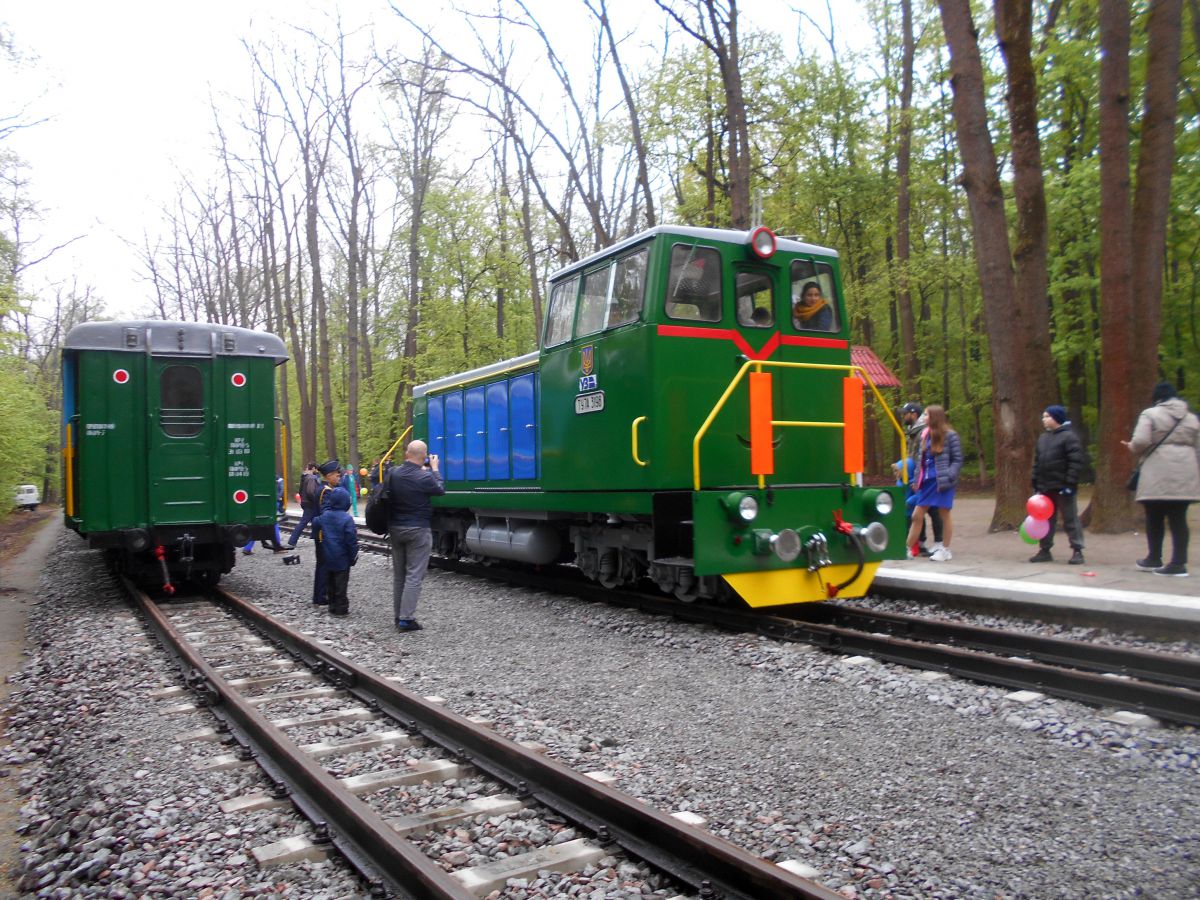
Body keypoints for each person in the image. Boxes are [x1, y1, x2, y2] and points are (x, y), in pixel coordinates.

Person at [1121, 382, 1200, 577]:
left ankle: (1154, 557)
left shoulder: (1150, 414)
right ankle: (1179, 563)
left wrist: (1131, 446)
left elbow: (1140, 441)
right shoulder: (1192, 418)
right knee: (1179, 518)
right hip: (1185, 472)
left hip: (1157, 471)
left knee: (1154, 515)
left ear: (1157, 397)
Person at [387, 440, 445, 632]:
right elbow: (440, 489)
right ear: (424, 456)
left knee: (399, 576)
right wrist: (435, 469)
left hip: (396, 529)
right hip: (418, 530)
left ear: (406, 453)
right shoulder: (425, 477)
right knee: (414, 575)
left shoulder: (393, 473)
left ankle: (398, 616)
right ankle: (406, 619)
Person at [905, 404, 963, 562]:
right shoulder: (925, 434)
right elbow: (920, 462)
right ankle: (908, 548)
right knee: (917, 515)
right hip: (926, 482)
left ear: (934, 417)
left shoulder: (950, 435)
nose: (923, 417)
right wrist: (917, 480)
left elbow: (957, 460)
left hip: (942, 482)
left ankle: (945, 549)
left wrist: (949, 476)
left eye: (926, 415)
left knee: (944, 513)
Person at [1029, 405, 1086, 565]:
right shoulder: (1043, 438)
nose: (1044, 419)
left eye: (1047, 416)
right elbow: (1038, 462)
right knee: (1045, 520)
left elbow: (1075, 462)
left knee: (1070, 519)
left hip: (1063, 486)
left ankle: (1077, 550)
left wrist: (1069, 483)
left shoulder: (1069, 437)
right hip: (1045, 487)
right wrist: (1035, 481)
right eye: (1043, 416)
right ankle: (1045, 550)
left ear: (1057, 418)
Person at [893, 402, 943, 556]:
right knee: (916, 509)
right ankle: (919, 544)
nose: (903, 416)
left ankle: (938, 544)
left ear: (913, 414)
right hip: (917, 475)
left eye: (905, 413)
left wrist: (913, 474)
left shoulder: (924, 432)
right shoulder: (912, 431)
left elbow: (920, 457)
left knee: (932, 510)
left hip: (925, 476)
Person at [311, 485, 358, 616]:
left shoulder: (325, 516)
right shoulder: (347, 519)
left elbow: (315, 522)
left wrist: (318, 535)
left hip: (327, 556)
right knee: (341, 585)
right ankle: (341, 608)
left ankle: (332, 606)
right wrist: (353, 555)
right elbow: (351, 540)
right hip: (342, 558)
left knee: (331, 582)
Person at [311, 459, 343, 606]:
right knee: (324, 563)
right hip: (324, 534)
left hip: (321, 532)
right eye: (336, 475)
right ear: (329, 475)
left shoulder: (322, 488)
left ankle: (319, 594)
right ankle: (320, 595)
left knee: (322, 563)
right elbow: (327, 514)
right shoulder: (326, 492)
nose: (339, 477)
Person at [286, 463, 321, 552]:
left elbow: (301, 491)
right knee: (303, 522)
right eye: (317, 469)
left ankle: (317, 537)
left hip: (305, 502)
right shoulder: (312, 478)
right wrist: (316, 499)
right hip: (311, 503)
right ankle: (292, 541)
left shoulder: (304, 477)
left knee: (315, 520)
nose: (318, 471)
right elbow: (310, 491)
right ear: (313, 468)